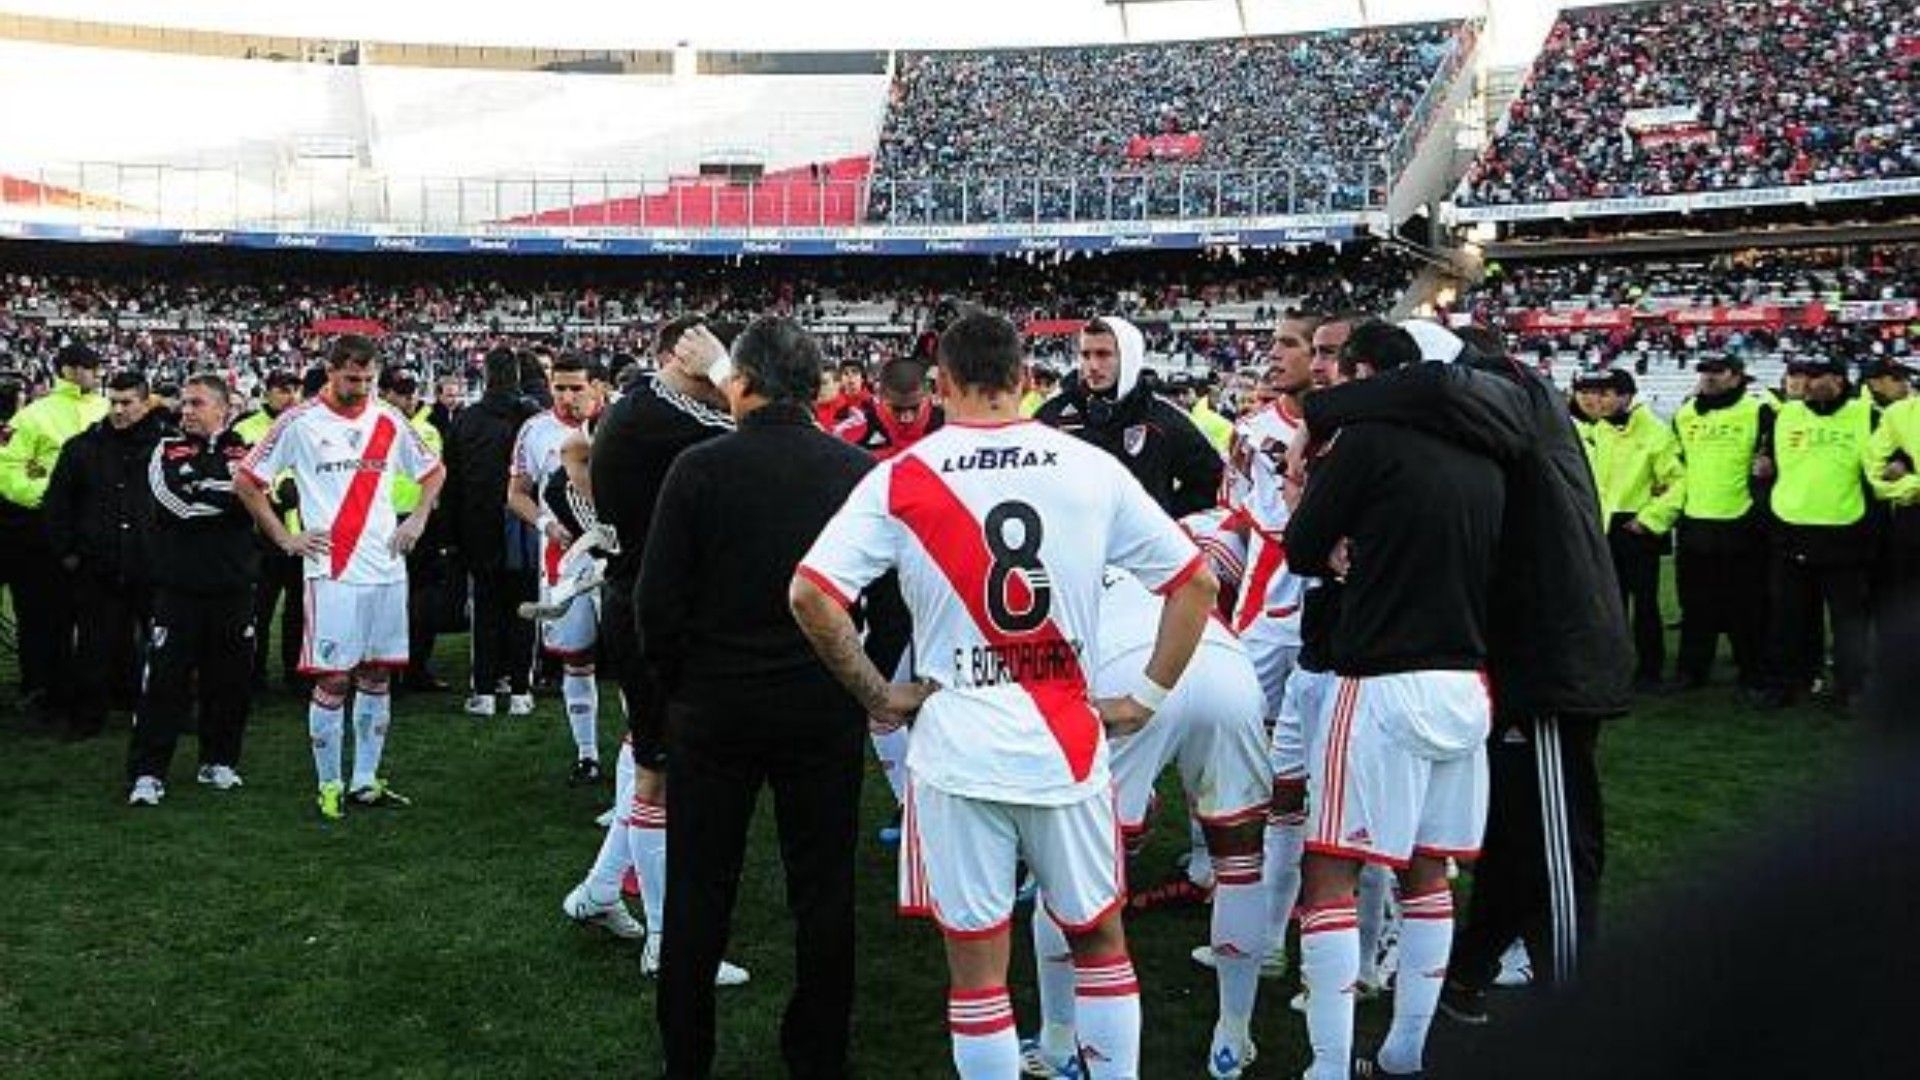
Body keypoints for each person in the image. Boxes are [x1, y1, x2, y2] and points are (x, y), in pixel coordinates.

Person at [792, 311, 1219, 1079]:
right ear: (1026, 380)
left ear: (942, 384)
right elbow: (1196, 582)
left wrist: (879, 695)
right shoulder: (1088, 466)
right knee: (1098, 942)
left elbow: (811, 596)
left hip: (958, 749)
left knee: (980, 972)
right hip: (1067, 739)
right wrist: (1146, 697)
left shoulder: (902, 476)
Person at [1298, 321, 1629, 1017]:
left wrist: (1323, 413)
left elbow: (1434, 388)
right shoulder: (1491, 404)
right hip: (1511, 648)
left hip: (1551, 653)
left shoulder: (1509, 386)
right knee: (1511, 835)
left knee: (1558, 848)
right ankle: (1466, 979)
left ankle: (1580, 1010)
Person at [639, 318, 876, 1079]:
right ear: (812, 387)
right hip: (821, 704)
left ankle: (687, 1058)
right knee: (823, 890)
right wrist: (868, 680)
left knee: (698, 890)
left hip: (716, 707)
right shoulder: (853, 470)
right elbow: (890, 598)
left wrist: (679, 691)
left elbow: (655, 605)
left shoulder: (700, 469)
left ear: (740, 382)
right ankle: (819, 1055)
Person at [1284, 321, 1509, 1079]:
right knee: (1427, 872)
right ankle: (1406, 1049)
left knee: (1330, 871)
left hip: (1381, 679)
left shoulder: (1369, 443)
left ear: (1366, 374)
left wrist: (1340, 548)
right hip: (1466, 685)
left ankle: (1324, 1063)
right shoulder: (1486, 454)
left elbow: (1302, 543)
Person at [1023, 563, 1270, 1079]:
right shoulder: (1159, 540)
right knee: (1241, 863)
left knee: (1067, 865)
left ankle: (1059, 1041)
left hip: (1128, 672)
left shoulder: (1053, 562)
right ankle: (1234, 1035)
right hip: (1225, 664)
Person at [584, 314, 743, 981]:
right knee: (661, 773)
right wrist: (727, 375)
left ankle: (597, 894)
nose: (727, 388)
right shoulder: (663, 416)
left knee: (646, 754)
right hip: (656, 618)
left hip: (642, 606)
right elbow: (785, 439)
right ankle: (668, 943)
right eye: (714, 370)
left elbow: (573, 452)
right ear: (685, 358)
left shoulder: (641, 409)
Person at [236, 334, 445, 820]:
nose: (362, 387)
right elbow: (247, 481)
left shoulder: (388, 418)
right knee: (333, 678)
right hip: (332, 569)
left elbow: (433, 472)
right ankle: (328, 783)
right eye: (353, 378)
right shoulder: (299, 422)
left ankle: (366, 780)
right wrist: (285, 539)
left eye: (369, 379)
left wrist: (415, 520)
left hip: (387, 567)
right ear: (329, 371)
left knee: (376, 673)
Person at [126, 376, 258, 805]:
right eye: (184, 403)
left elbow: (261, 498)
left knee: (230, 682)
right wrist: (231, 493)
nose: (186, 411)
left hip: (234, 588)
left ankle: (219, 761)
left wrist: (212, 485)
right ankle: (148, 772)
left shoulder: (246, 449)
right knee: (164, 683)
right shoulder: (165, 449)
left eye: (197, 403)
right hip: (178, 589)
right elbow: (178, 505)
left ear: (224, 408)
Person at [43, 370, 165, 741]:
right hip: (98, 565)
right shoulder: (82, 447)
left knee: (163, 644)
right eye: (113, 401)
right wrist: (68, 554)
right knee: (94, 645)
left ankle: (164, 709)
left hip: (153, 565)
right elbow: (57, 504)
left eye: (127, 402)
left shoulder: (166, 448)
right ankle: (88, 716)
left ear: (146, 403)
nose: (118, 409)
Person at [1757, 355, 1876, 713]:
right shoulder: (1787, 415)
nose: (1804, 383)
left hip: (1844, 531)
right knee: (1788, 617)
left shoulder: (1866, 415)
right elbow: (1768, 462)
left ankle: (1851, 689)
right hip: (1792, 529)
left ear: (1838, 380)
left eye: (1814, 375)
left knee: (1847, 620)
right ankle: (1786, 684)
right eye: (1800, 375)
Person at [507, 353, 605, 779]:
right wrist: (546, 523)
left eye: (575, 388)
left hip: (617, 558)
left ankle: (642, 761)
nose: (566, 397)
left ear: (596, 386)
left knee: (636, 661)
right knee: (576, 656)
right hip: (563, 560)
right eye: (559, 387)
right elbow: (516, 492)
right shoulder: (534, 430)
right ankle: (587, 754)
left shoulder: (621, 423)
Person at [0, 343, 107, 729]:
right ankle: (45, 687)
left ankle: (94, 687)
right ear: (69, 370)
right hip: (45, 531)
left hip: (99, 529)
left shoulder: (106, 409)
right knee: (45, 615)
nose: (98, 374)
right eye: (93, 368)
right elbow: (7, 469)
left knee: (98, 614)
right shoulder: (31, 416)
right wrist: (52, 496)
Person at [1034, 316, 1224, 517]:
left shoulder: (1162, 417)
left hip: (1141, 547)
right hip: (1072, 544)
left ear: (1129, 357)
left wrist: (1163, 519)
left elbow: (1211, 479)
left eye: (1103, 354)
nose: (1092, 365)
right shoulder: (1052, 415)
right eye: (1086, 355)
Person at [1573, 368, 1685, 691]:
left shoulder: (1655, 432)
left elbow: (1677, 481)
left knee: (1646, 605)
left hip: (1636, 526)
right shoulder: (1599, 431)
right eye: (1598, 393)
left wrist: (1650, 519)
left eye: (1608, 393)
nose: (1600, 400)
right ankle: (1614, 668)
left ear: (1626, 396)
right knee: (1610, 604)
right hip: (1604, 526)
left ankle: (1650, 671)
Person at [445, 346, 540, 717]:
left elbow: (452, 484)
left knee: (486, 608)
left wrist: (451, 537)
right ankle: (519, 689)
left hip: (479, 526)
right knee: (522, 608)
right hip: (523, 525)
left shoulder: (467, 420)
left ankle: (484, 690)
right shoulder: (532, 418)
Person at [1671, 354, 1773, 696]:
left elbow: (1772, 459)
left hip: (1740, 519)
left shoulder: (1758, 409)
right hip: (1695, 518)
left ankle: (1753, 673)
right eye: (1704, 371)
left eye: (1718, 371)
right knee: (1695, 605)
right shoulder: (1686, 412)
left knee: (1746, 605)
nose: (1709, 378)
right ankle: (1691, 671)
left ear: (1737, 376)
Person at [379, 368, 453, 693]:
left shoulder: (426, 428)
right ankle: (386, 668)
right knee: (386, 598)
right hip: (383, 520)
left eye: (410, 392)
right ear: (385, 393)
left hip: (420, 521)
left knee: (423, 599)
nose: (408, 399)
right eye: (400, 392)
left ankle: (415, 666)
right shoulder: (374, 426)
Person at [235, 370, 307, 693]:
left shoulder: (308, 426)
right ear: (266, 393)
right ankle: (254, 673)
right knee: (258, 610)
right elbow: (237, 476)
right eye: (282, 389)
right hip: (259, 533)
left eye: (295, 388)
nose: (290, 395)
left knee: (299, 609)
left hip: (302, 531)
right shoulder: (246, 428)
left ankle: (296, 672)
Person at [832, 353, 945, 458]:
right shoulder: (864, 421)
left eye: (914, 407)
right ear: (881, 397)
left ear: (927, 396)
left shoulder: (944, 423)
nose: (905, 417)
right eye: (897, 409)